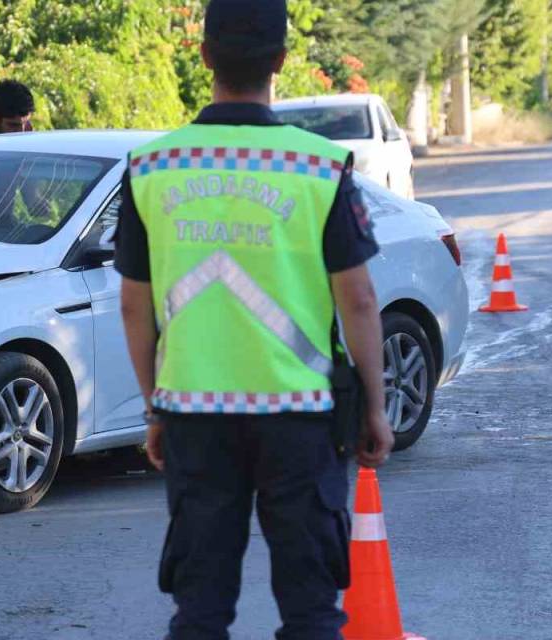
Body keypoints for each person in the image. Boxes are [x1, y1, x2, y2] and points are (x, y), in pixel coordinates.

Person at [114, 1, 395, 638]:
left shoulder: (152, 167)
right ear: (282, 62)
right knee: (312, 610)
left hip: (193, 416)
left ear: (205, 55)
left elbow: (135, 304)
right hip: (300, 419)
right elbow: (357, 300)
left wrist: (155, 408)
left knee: (201, 609)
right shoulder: (319, 168)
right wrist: (374, 406)